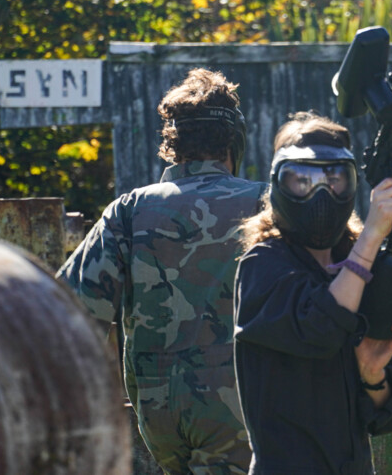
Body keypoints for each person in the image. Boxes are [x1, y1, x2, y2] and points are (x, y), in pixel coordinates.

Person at [58, 68, 264, 474]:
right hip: (240, 405)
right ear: (233, 141)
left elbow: (70, 314)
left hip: (159, 414)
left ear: (172, 145)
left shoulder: (129, 209)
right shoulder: (264, 204)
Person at [233, 111, 392, 474]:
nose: (321, 193)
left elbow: (384, 417)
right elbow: (321, 327)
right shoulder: (262, 266)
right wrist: (371, 238)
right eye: (302, 180)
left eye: (334, 180)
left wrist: (372, 374)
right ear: (278, 185)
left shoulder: (359, 265)